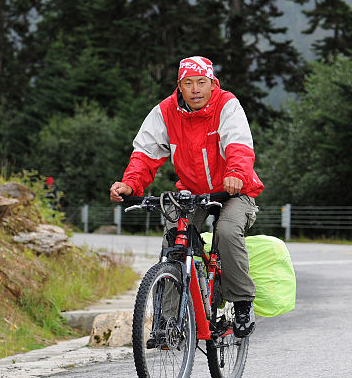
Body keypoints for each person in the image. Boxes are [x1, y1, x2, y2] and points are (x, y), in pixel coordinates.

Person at [110, 55, 263, 338]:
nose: (195, 89)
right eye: (188, 83)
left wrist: (236, 173)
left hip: (235, 189)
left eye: (201, 82)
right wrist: (130, 184)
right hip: (192, 192)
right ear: (179, 86)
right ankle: (168, 323)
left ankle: (242, 302)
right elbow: (145, 154)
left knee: (228, 232)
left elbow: (239, 145)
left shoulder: (227, 105)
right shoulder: (165, 112)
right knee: (175, 239)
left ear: (212, 83)